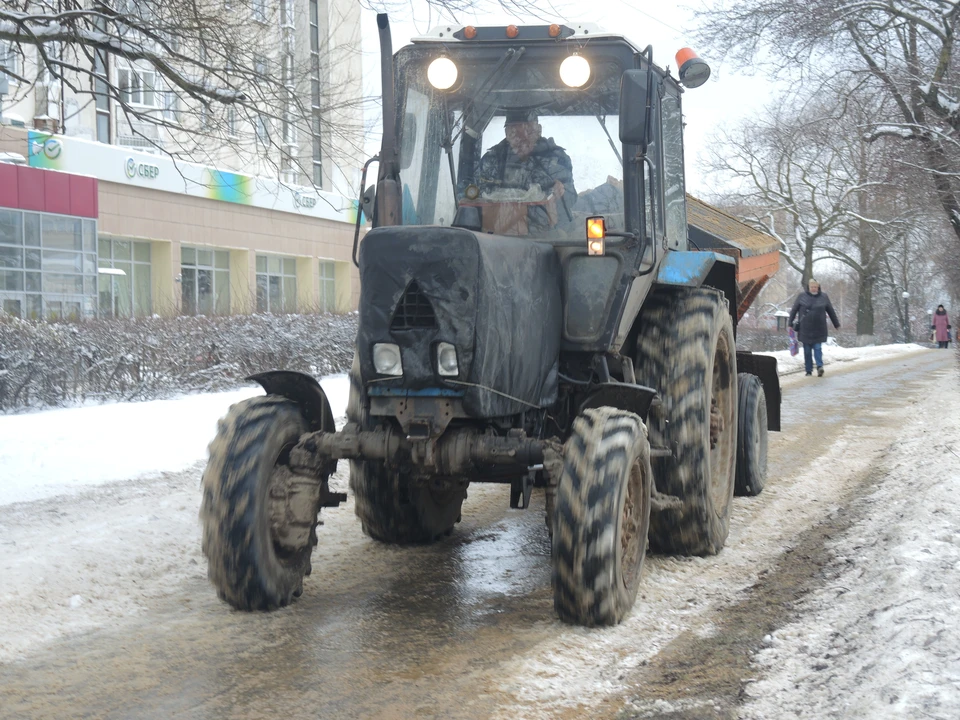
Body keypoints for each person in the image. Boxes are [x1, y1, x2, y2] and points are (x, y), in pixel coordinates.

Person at [475, 109, 577, 231]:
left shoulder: (556, 159)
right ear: (506, 133)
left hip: (548, 234)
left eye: (528, 131)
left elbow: (571, 199)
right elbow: (476, 198)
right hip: (498, 235)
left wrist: (561, 194)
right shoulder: (491, 160)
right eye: (514, 132)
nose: (521, 137)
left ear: (538, 130)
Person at [788, 278, 840, 377]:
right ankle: (808, 370)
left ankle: (820, 367)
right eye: (812, 287)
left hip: (819, 328)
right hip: (805, 329)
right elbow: (794, 310)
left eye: (815, 287)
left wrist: (836, 324)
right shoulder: (801, 296)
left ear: (818, 287)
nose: (814, 288)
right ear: (809, 287)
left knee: (818, 348)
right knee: (807, 351)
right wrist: (790, 323)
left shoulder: (824, 297)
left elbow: (831, 311)